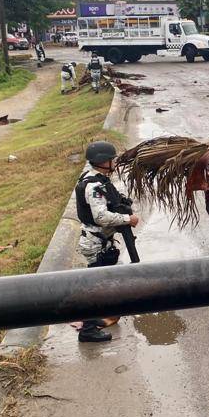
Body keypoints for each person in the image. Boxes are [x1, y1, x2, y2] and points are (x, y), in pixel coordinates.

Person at [74, 141, 140, 343]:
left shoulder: (98, 179)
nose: (114, 162)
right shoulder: (93, 185)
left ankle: (103, 317)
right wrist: (128, 219)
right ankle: (88, 330)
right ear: (103, 161)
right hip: (95, 242)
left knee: (103, 284)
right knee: (96, 288)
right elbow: (101, 216)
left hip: (101, 241)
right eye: (112, 159)